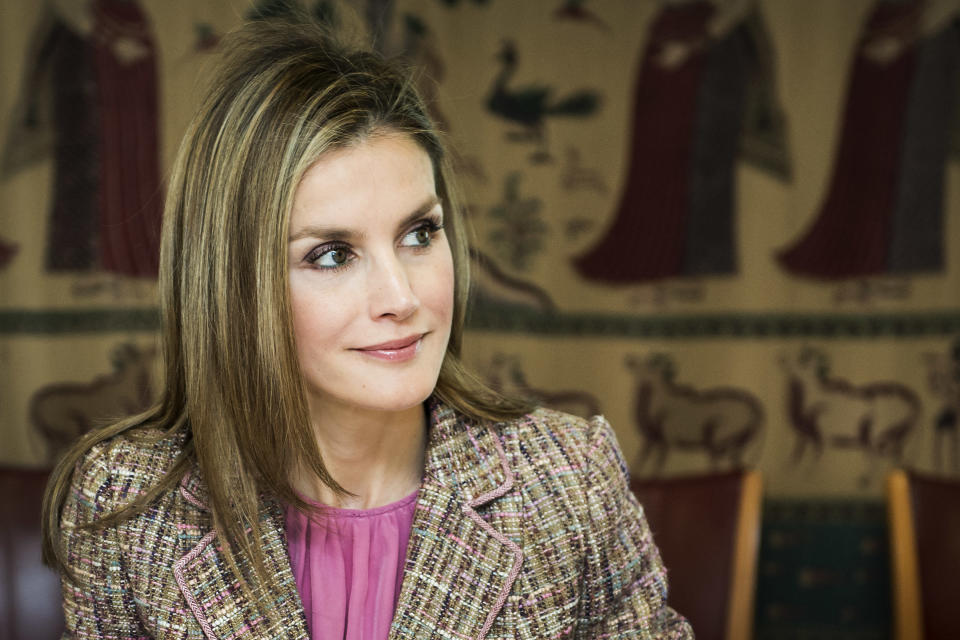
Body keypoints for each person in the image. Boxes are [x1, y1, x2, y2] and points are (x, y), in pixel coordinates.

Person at [41, 16, 694, 640]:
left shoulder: (569, 483)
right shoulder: (123, 509)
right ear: (235, 286)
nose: (400, 296)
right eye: (332, 254)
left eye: (420, 233)